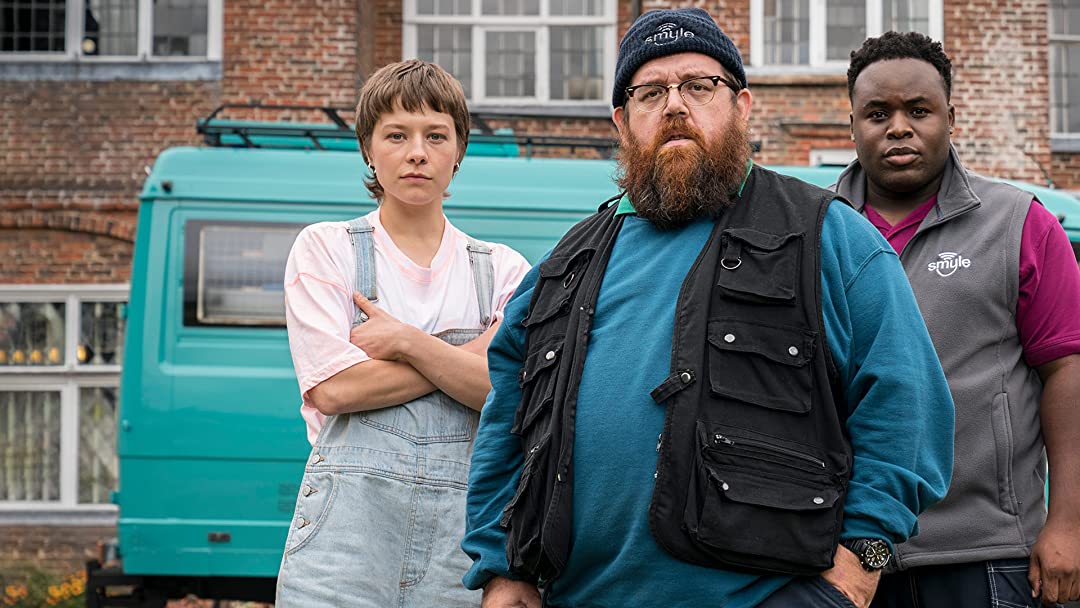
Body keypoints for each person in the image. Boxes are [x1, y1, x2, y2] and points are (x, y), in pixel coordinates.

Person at [462, 8, 955, 608]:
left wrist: (858, 571)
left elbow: (909, 410)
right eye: (650, 93)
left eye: (699, 86)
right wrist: (500, 569)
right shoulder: (565, 264)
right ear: (622, 121)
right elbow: (504, 425)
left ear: (741, 106)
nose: (674, 105)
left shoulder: (826, 235)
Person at [835, 32, 1080, 607]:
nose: (898, 127)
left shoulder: (1020, 224)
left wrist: (1067, 521)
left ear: (951, 117)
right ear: (852, 125)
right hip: (847, 556)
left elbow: (1066, 372)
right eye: (877, 113)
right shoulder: (815, 231)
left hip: (988, 553)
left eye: (918, 110)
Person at [275, 59, 530, 607]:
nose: (418, 152)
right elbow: (334, 390)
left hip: (463, 541)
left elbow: (504, 394)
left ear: (458, 150)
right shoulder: (326, 249)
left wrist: (407, 343)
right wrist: (460, 359)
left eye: (436, 135)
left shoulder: (505, 270)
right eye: (397, 135)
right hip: (346, 538)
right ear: (368, 148)